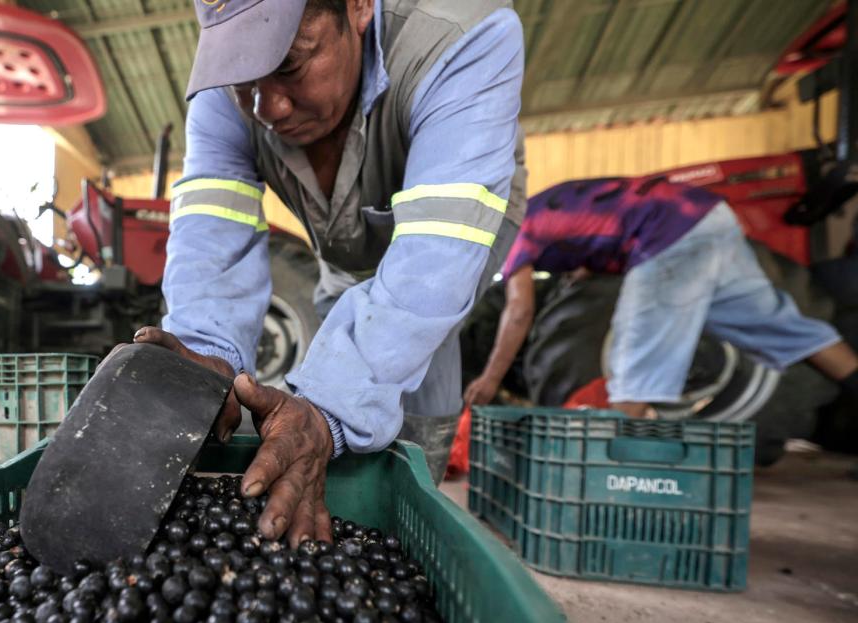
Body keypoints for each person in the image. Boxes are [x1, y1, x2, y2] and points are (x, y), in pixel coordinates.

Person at [128, 0, 525, 547]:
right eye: (248, 82)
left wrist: (329, 413)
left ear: (358, 6)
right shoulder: (224, 90)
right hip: (345, 241)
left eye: (290, 65)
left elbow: (432, 262)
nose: (268, 107)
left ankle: (410, 504)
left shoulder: (461, 38)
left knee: (411, 363)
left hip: (453, 215)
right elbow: (211, 235)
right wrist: (205, 355)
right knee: (335, 367)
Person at [463, 176, 858, 418]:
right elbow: (596, 234)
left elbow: (519, 311)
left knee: (633, 362)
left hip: (670, 232)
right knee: (787, 330)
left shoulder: (511, 230)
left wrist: (489, 379)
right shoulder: (544, 209)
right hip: (710, 216)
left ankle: (607, 482)